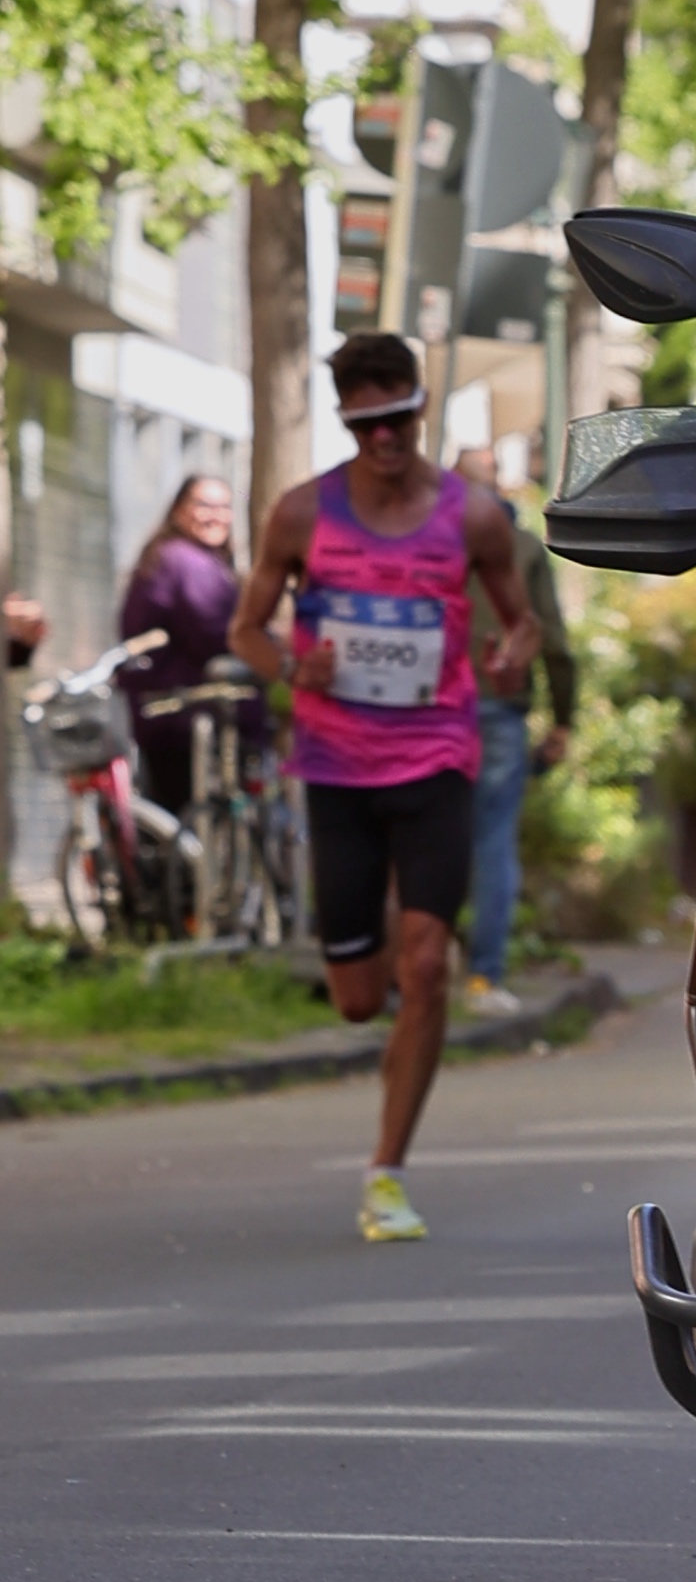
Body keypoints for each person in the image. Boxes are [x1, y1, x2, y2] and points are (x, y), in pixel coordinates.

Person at [231, 334, 538, 1242]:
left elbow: (519, 627)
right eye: (367, 423)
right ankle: (382, 1047)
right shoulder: (299, 515)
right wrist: (294, 664)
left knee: (427, 967)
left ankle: (387, 1172)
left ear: (418, 408)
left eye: (399, 417)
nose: (386, 438)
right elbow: (247, 628)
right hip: (336, 769)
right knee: (361, 995)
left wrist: (508, 657)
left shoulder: (474, 516)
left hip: (436, 757)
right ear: (346, 422)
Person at [453, 443, 577, 1018]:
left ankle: (412, 974)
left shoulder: (424, 548)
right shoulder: (523, 548)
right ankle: (483, 978)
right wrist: (563, 719)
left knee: (420, 840)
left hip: (426, 713)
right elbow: (552, 640)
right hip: (499, 709)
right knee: (492, 843)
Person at [117, 472, 259, 818]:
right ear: (179, 510)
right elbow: (213, 632)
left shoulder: (186, 559)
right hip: (185, 720)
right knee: (188, 821)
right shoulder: (184, 561)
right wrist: (266, 647)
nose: (216, 514)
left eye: (225, 506)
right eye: (204, 505)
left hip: (173, 719)